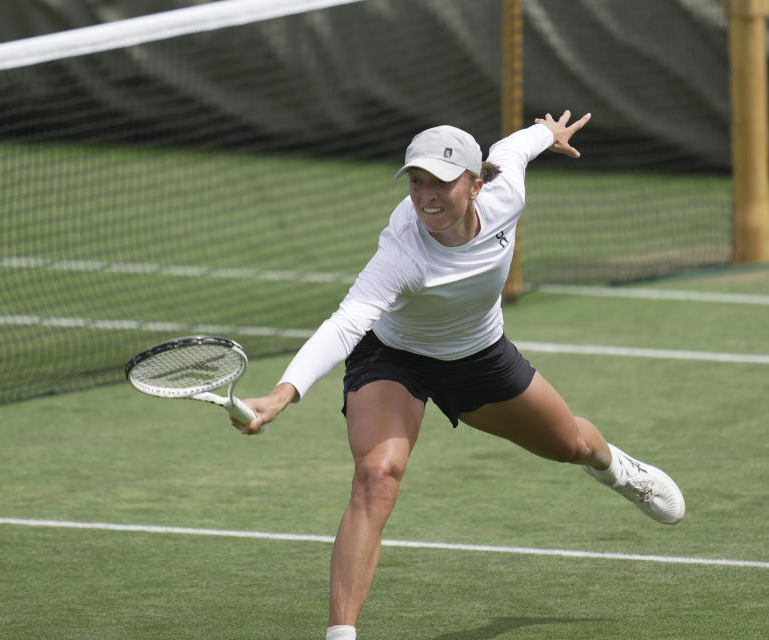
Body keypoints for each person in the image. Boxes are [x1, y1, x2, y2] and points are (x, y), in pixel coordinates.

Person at [231, 110, 685, 640]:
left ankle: (619, 471)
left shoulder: (505, 194)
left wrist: (548, 134)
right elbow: (347, 323)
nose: (426, 197)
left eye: (441, 184)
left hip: (478, 354)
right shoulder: (403, 251)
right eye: (417, 182)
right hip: (394, 356)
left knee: (571, 445)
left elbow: (514, 149)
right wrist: (282, 395)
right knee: (378, 476)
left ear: (474, 184)